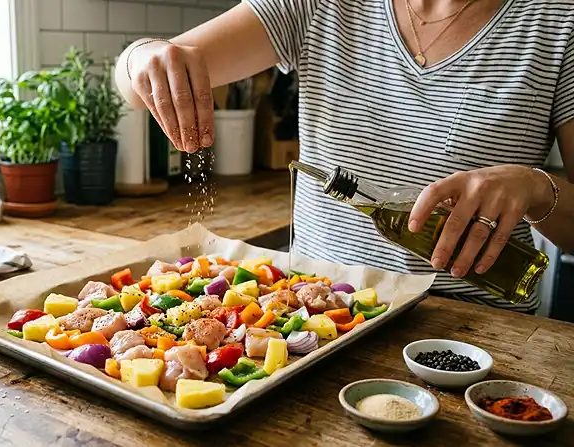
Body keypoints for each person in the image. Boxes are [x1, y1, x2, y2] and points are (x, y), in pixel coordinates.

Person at [114, 0, 574, 313]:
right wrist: (140, 57)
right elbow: (135, 87)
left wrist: (537, 188)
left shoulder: (559, 20)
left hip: (474, 334)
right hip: (317, 320)